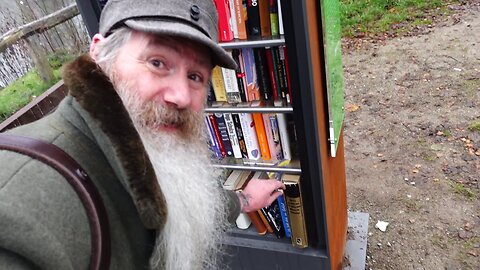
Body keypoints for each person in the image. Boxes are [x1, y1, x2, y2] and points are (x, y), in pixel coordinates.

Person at [0, 0, 286, 269]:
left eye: (195, 76)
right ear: (99, 54)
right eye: (158, 63)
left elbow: (178, 207)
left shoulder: (145, 147)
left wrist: (244, 200)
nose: (182, 96)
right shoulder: (20, 205)